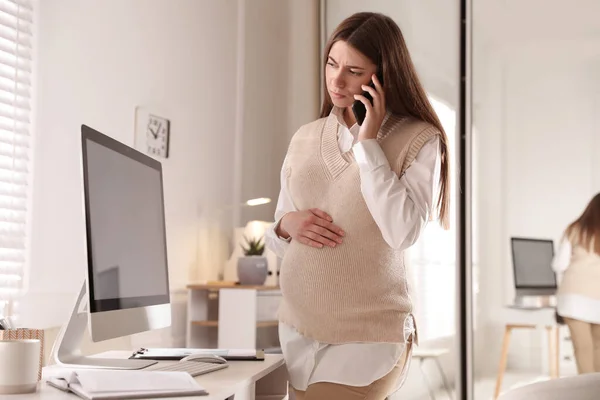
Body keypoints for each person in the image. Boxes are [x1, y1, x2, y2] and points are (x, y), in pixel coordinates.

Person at [265, 12, 451, 400]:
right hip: (297, 332)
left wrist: (369, 146)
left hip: (369, 339)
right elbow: (279, 236)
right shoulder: (304, 138)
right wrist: (287, 225)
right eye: (332, 64)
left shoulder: (419, 140)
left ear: (382, 76)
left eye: (353, 70)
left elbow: (402, 232)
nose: (337, 80)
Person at [552, 193, 600, 374]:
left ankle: (587, 394)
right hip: (598, 299)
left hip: (573, 299)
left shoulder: (575, 229)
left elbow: (559, 264)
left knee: (583, 349)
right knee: (598, 349)